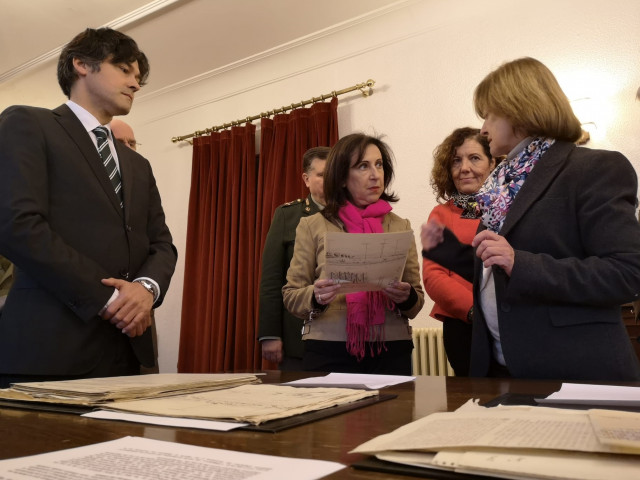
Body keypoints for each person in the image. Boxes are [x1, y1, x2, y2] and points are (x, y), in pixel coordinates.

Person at [421, 57, 640, 381]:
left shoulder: (594, 168)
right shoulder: (502, 184)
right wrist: (447, 250)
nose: (482, 129)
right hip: (499, 372)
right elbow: (498, 268)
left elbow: (627, 273)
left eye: (490, 116)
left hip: (572, 371)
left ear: (520, 110)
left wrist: (520, 263)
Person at [0, 28, 177, 388]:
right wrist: (110, 298)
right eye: (125, 69)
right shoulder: (28, 124)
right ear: (81, 64)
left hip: (127, 353)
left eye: (138, 76)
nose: (136, 84)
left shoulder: (137, 164)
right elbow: (17, 224)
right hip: (49, 352)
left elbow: (161, 243)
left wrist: (145, 289)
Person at [283, 133, 425, 374]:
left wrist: (406, 296)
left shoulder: (401, 225)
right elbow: (291, 296)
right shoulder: (312, 225)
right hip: (328, 347)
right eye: (363, 166)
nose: (375, 174)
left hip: (391, 348)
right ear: (341, 178)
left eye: (379, 164)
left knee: (395, 413)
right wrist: (316, 295)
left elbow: (416, 302)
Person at [422, 127, 495, 376]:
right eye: (456, 160)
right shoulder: (440, 215)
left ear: (493, 162)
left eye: (474, 158)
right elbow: (434, 277)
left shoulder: (514, 208)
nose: (464, 167)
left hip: (514, 322)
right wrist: (476, 311)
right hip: (465, 326)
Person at [258, 146, 330, 370]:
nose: (329, 181)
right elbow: (272, 279)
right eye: (321, 175)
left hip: (343, 337)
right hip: (299, 336)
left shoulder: (353, 216)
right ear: (306, 179)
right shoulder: (288, 216)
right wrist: (269, 334)